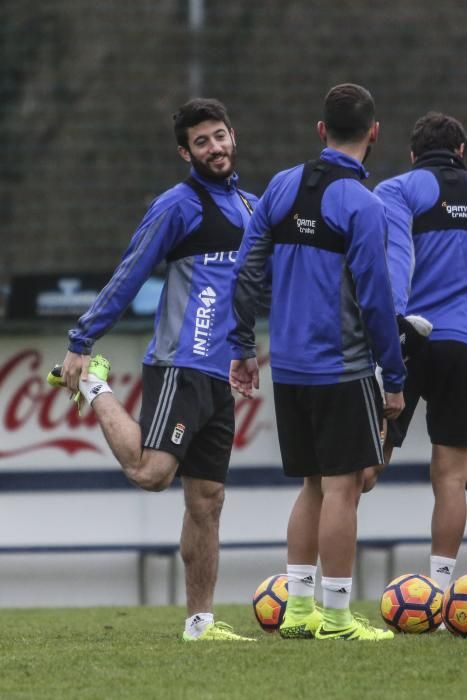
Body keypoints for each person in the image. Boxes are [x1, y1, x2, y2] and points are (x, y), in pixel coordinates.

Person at [47, 98, 258, 642]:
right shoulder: (177, 205)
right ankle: (94, 382)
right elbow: (129, 272)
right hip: (179, 365)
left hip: (220, 375)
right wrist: (81, 341)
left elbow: (262, 285)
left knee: (207, 501)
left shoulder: (253, 208)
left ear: (234, 136)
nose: (215, 148)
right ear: (185, 152)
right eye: (202, 142)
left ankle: (200, 623)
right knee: (152, 474)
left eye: (220, 136)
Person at [228, 83, 406, 641]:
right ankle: (335, 617)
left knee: (312, 486)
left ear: (321, 131)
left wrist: (241, 347)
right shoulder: (364, 205)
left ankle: (299, 612)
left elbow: (245, 272)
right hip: (343, 367)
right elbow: (377, 301)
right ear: (374, 133)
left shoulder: (280, 186)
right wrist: (394, 378)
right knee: (343, 489)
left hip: (291, 368)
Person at [373, 111, 467, 597]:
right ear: (462, 151)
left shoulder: (397, 190)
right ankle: (441, 593)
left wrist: (388, 334)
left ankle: (329, 594)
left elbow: (388, 265)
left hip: (407, 341)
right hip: (463, 346)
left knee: (364, 467)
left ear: (413, 155)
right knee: (451, 474)